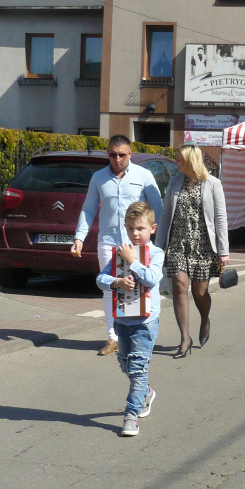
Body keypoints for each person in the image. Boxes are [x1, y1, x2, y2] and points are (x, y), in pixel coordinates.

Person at [72, 135, 164, 356]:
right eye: (113, 155)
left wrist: (160, 240)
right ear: (108, 154)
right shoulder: (99, 178)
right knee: (111, 287)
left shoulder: (144, 175)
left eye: (122, 154)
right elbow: (89, 209)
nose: (117, 159)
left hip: (139, 244)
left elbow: (158, 208)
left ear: (130, 154)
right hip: (109, 241)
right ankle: (113, 337)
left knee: (142, 284)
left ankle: (139, 329)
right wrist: (80, 237)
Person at [95, 201, 164, 437]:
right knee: (125, 362)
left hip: (145, 321)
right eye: (131, 228)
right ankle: (145, 392)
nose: (135, 233)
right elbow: (100, 279)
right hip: (123, 319)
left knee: (136, 368)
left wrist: (133, 261)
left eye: (140, 229)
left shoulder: (155, 253)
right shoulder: (119, 253)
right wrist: (117, 282)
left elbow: (153, 278)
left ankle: (131, 415)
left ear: (152, 228)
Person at [156, 145, 230, 358]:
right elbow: (165, 213)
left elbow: (220, 218)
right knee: (179, 286)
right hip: (178, 244)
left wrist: (223, 251)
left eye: (179, 159)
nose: (176, 162)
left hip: (203, 247)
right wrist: (160, 243)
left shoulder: (213, 184)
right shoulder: (174, 182)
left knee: (199, 292)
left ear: (190, 161)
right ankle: (184, 339)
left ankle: (205, 318)